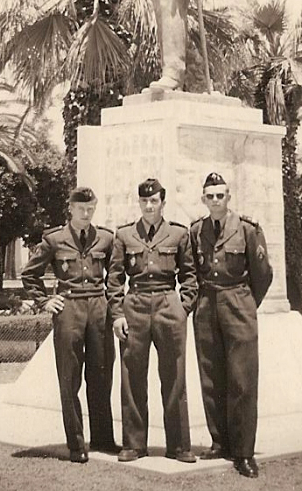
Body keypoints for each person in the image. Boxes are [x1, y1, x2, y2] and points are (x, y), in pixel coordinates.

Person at [21, 186, 118, 464]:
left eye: (91, 209)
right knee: (70, 378)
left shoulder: (105, 239)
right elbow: (30, 274)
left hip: (99, 309)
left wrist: (112, 302)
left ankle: (102, 438)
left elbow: (115, 275)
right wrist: (44, 302)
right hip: (69, 309)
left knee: (101, 375)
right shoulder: (55, 239)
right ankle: (76, 443)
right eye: (81, 208)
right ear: (71, 208)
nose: (86, 214)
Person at [107, 178, 198, 462]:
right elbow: (114, 279)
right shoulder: (124, 235)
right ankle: (134, 444)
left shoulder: (178, 234)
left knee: (174, 375)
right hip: (134, 304)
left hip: (168, 304)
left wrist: (183, 307)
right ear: (139, 202)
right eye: (144, 201)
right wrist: (118, 314)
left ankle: (179, 445)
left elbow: (190, 276)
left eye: (154, 201)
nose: (149, 206)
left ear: (162, 202)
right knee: (132, 376)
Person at [190, 172, 273, 479]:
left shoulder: (248, 229)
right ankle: (219, 441)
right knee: (211, 376)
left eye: (220, 195)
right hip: (208, 304)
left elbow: (262, 273)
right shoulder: (196, 230)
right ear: (203, 199)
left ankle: (243, 452)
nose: (215, 201)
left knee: (242, 379)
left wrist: (246, 304)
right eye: (210, 196)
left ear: (228, 197)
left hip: (238, 301)